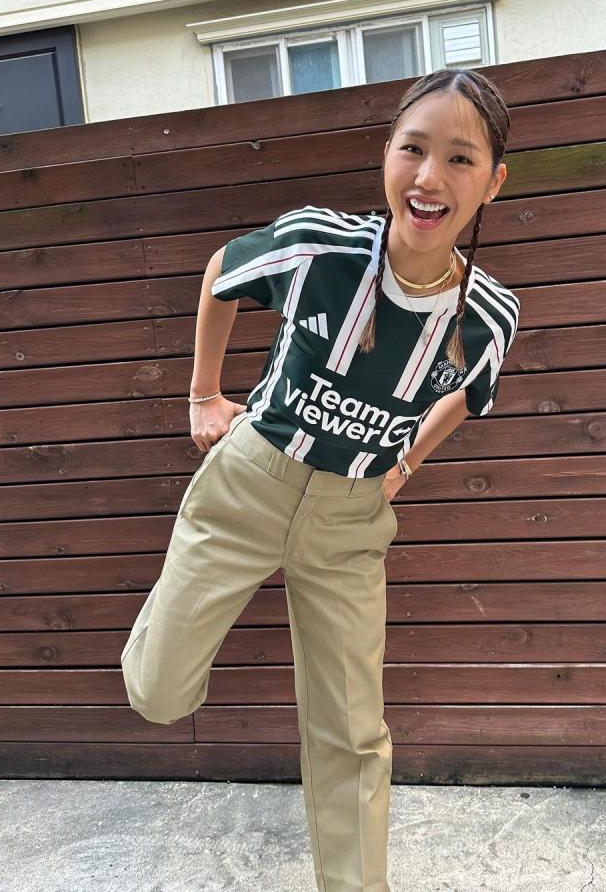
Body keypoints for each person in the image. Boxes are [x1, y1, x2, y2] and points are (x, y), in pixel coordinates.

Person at [121, 66, 519, 892]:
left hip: (349, 521)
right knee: (158, 694)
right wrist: (203, 395)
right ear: (387, 155)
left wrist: (403, 463)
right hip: (248, 486)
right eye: (412, 149)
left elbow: (468, 398)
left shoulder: (489, 316)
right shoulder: (317, 246)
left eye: (459, 159)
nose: (429, 177)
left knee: (352, 734)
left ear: (493, 182)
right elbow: (223, 271)